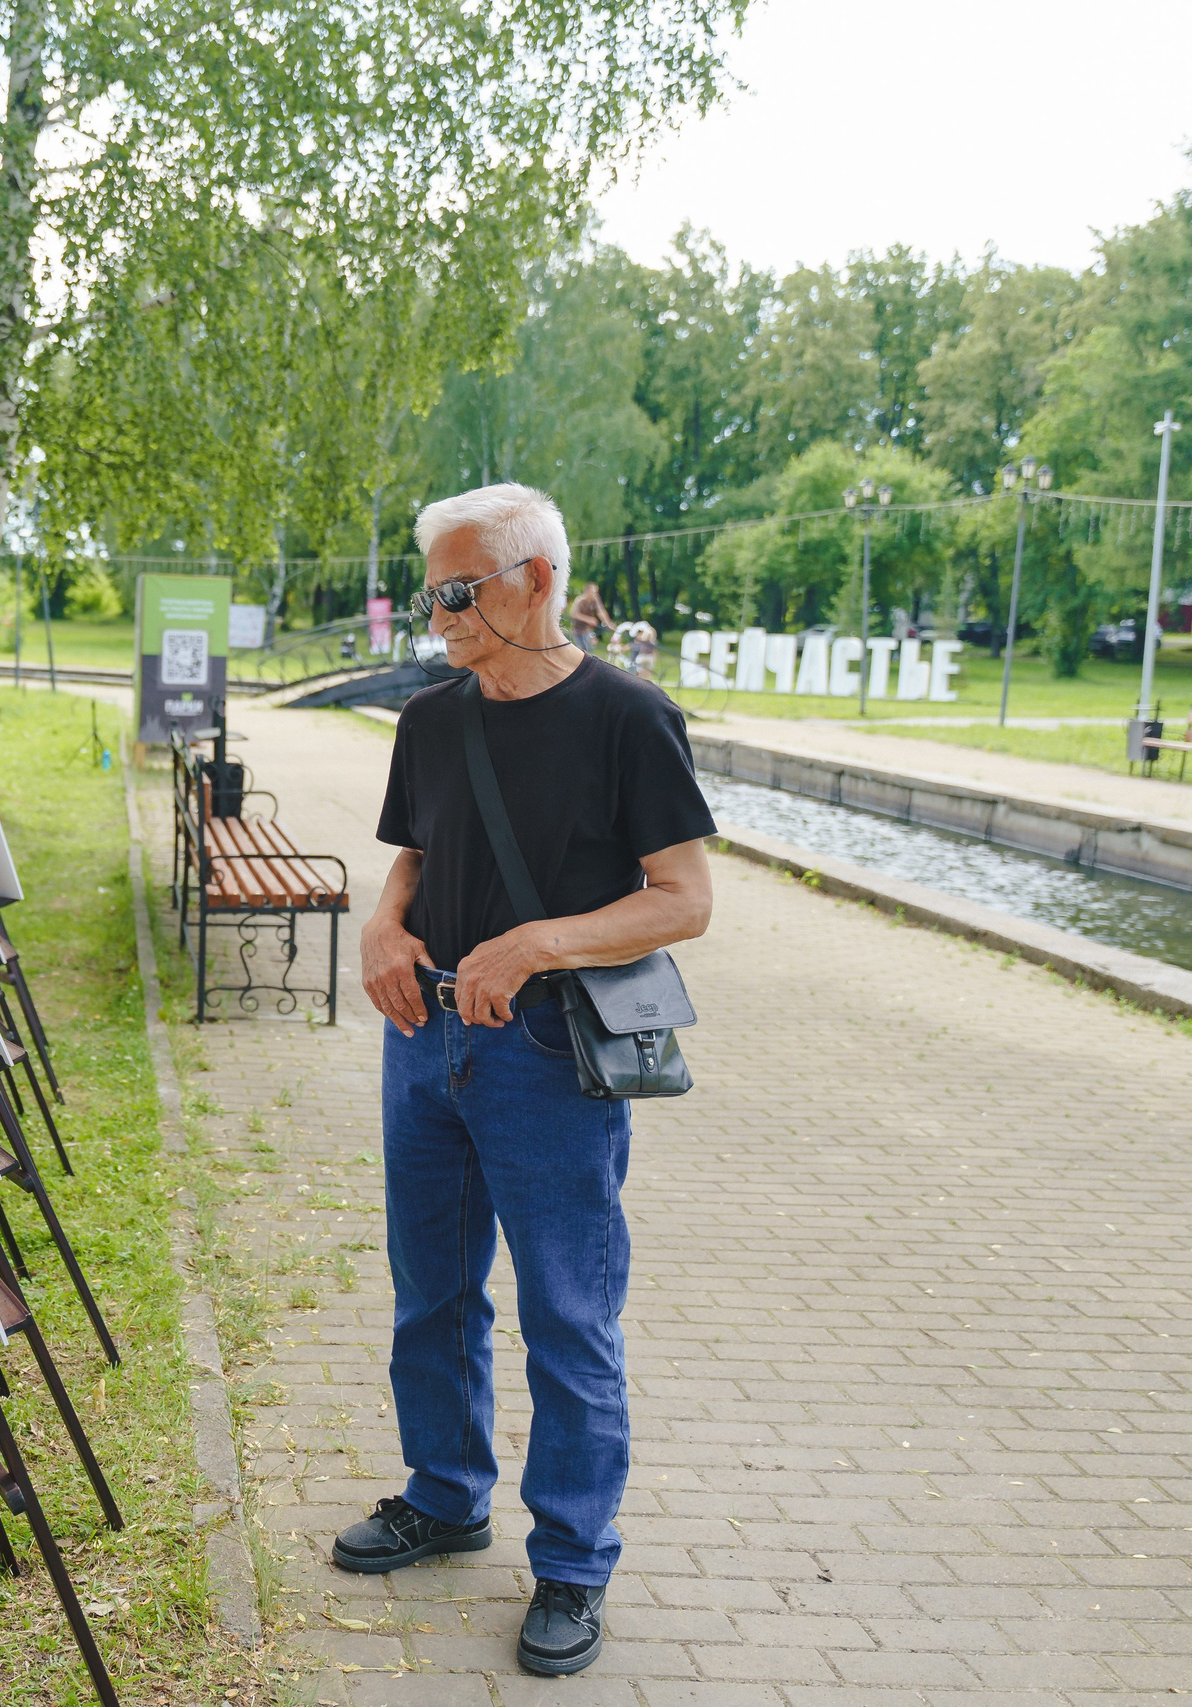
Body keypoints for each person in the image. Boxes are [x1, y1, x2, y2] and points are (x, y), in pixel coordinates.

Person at [334, 482, 716, 1679]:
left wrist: (538, 940)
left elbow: (682, 899)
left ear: (537, 581)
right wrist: (382, 929)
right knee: (430, 1296)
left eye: (459, 591)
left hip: (550, 1057)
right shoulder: (432, 721)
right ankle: (444, 1497)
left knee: (566, 1316)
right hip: (425, 1041)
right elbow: (417, 854)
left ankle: (571, 1561)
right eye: (431, 591)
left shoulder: (627, 718)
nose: (436, 615)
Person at [569, 582, 611, 653]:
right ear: (587, 592)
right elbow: (573, 614)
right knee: (582, 650)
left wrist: (609, 624)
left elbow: (601, 612)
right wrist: (588, 620)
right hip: (578, 630)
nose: (595, 594)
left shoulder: (595, 600)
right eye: (593, 592)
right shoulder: (580, 600)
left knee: (588, 650)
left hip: (588, 630)